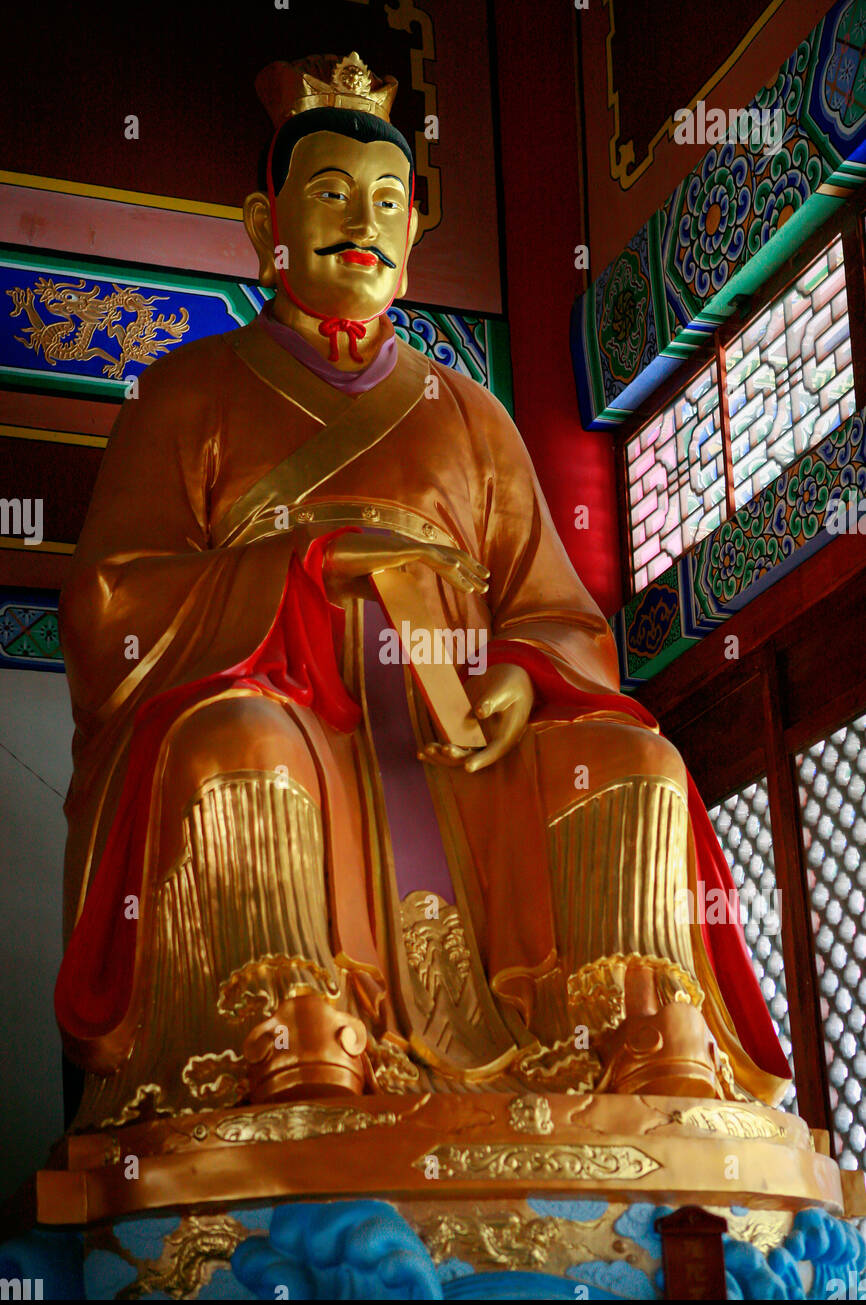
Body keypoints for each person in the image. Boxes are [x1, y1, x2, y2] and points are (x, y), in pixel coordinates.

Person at [56, 53, 789, 1130]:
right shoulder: (188, 390)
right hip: (291, 712)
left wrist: (521, 681)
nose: (363, 220)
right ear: (266, 222)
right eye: (331, 194)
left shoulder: (469, 411)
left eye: (388, 202)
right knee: (236, 749)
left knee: (636, 757)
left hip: (458, 749)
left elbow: (550, 607)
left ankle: (632, 1029)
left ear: (410, 240)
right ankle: (292, 1031)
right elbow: (111, 604)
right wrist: (302, 569)